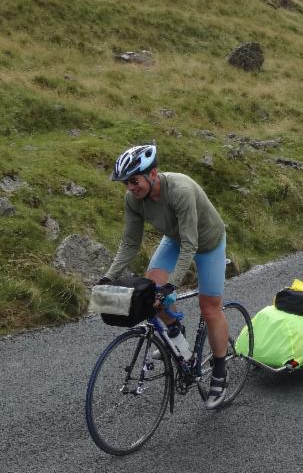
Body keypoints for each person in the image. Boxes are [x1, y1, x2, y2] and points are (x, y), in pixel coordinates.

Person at [99, 144, 230, 409]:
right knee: (150, 291)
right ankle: (175, 329)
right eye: (126, 183)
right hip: (174, 240)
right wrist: (108, 278)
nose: (130, 188)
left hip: (207, 244)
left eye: (134, 181)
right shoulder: (133, 200)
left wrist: (171, 285)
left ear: (153, 174)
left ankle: (219, 371)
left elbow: (191, 244)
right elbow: (130, 243)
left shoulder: (180, 191)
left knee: (209, 308)